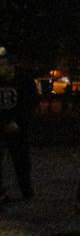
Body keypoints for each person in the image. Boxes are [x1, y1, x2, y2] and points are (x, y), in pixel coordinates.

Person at [0, 46, 36, 203]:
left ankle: (26, 191)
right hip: (1, 123)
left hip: (18, 126)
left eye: (2, 65)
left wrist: (18, 122)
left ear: (11, 65)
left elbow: (29, 104)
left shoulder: (24, 81)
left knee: (21, 160)